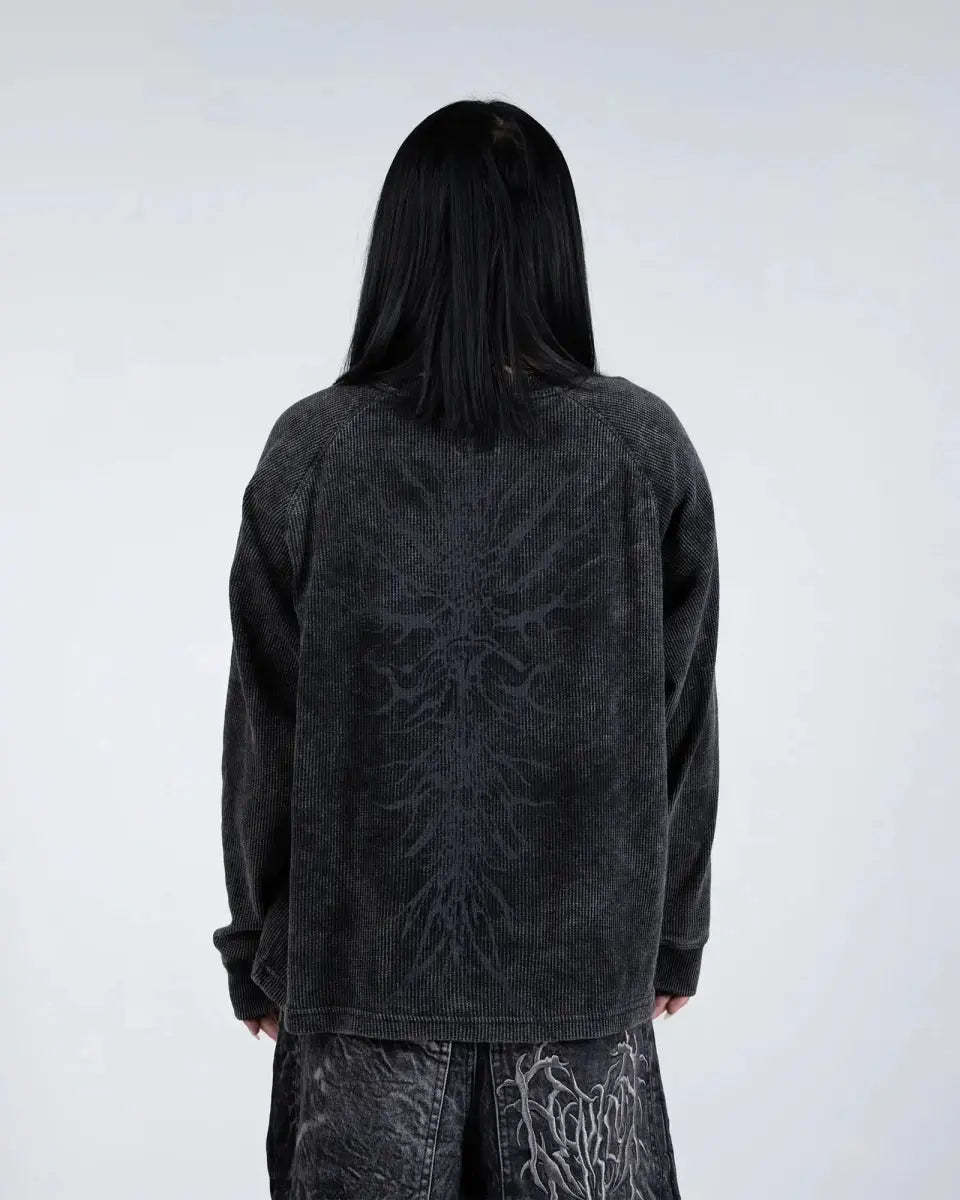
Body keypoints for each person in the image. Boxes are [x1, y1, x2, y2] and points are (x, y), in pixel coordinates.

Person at [212, 98, 720, 1200]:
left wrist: (258, 943)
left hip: (360, 994)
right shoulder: (641, 449)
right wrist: (674, 934)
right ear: (555, 249)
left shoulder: (315, 451)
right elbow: (679, 713)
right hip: (579, 998)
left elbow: (265, 724)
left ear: (399, 248)